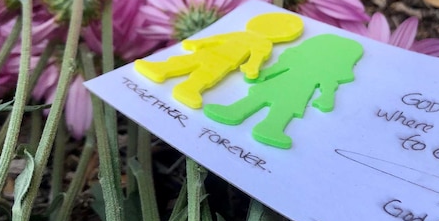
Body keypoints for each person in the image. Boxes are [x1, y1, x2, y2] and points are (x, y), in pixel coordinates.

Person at [204, 33, 363, 149]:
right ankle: (233, 111)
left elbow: (329, 86)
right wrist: (262, 74)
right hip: (284, 84)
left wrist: (326, 98)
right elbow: (278, 67)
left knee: (283, 108)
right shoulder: (300, 62)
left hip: (297, 92)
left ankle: (271, 128)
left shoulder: (323, 72)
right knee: (260, 98)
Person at [134, 12, 303, 108]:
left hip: (226, 62)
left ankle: (189, 89)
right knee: (185, 62)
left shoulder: (264, 43)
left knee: (206, 76)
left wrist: (252, 67)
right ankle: (159, 69)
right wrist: (197, 42)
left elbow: (257, 57)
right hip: (212, 52)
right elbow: (218, 38)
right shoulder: (242, 34)